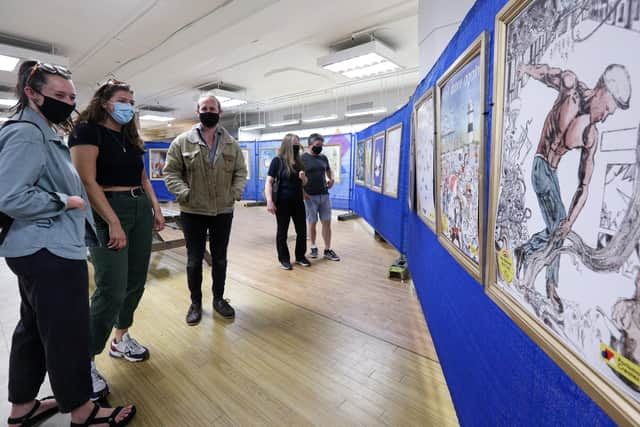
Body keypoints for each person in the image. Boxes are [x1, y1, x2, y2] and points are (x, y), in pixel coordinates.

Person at [0, 61, 135, 427]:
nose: (68, 102)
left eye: (72, 96)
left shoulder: (42, 131)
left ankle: (22, 408)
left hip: (35, 249)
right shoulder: (28, 133)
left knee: (31, 329)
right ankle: (82, 411)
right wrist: (66, 201)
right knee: (67, 333)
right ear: (32, 92)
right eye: (59, 95)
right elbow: (10, 196)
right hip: (50, 251)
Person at [69, 79, 165, 400]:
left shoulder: (129, 136)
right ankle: (83, 360)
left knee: (136, 281)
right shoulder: (87, 131)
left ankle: (120, 339)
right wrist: (112, 221)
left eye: (131, 101)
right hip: (107, 208)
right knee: (111, 288)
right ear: (106, 103)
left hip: (139, 207)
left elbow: (142, 177)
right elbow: (86, 179)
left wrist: (155, 208)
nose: (128, 106)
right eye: (122, 100)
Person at [514, 63, 631, 313]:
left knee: (559, 229)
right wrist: (523, 69)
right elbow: (546, 73)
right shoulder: (571, 87)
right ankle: (549, 286)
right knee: (557, 229)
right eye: (609, 108)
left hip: (551, 173)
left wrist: (571, 220)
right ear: (601, 90)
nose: (606, 115)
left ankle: (525, 251)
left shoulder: (591, 134)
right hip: (540, 165)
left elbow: (584, 185)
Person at [164, 94, 247, 325]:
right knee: (193, 260)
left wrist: (233, 194)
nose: (208, 111)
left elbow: (241, 172)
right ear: (198, 111)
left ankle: (219, 299)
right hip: (193, 212)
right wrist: (186, 194)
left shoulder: (231, 143)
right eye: (204, 108)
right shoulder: (182, 142)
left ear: (220, 112)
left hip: (223, 211)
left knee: (220, 259)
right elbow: (171, 172)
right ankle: (195, 303)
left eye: (212, 108)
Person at [265, 134, 311, 270]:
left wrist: (303, 179)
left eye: (298, 144)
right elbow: (269, 182)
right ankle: (284, 259)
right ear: (287, 145)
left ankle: (300, 256)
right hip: (282, 202)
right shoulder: (277, 161)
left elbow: (305, 182)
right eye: (294, 144)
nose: (296, 147)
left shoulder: (299, 162)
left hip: (298, 202)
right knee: (282, 232)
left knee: (302, 231)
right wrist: (269, 201)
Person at [302, 133, 340, 261]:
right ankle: (313, 247)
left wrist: (332, 178)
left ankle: (327, 250)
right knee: (312, 223)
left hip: (324, 195)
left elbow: (329, 170)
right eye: (317, 145)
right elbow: (298, 177)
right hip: (310, 196)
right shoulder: (303, 159)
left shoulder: (323, 157)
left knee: (327, 223)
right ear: (310, 145)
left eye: (321, 145)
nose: (320, 147)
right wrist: (303, 192)